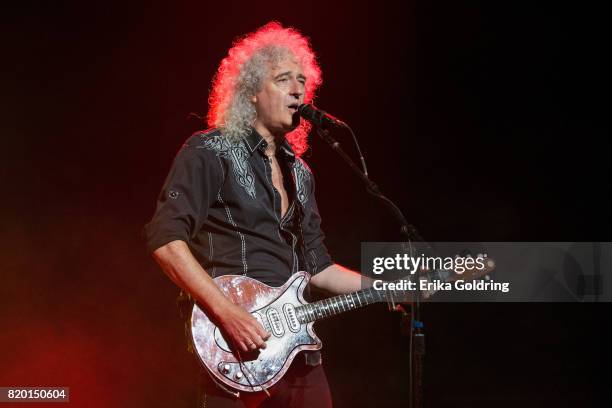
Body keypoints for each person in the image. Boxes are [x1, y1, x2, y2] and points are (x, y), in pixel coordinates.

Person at [144, 22, 363, 408]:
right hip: (233, 351)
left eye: (302, 80)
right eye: (283, 79)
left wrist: (391, 287)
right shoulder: (208, 151)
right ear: (252, 94)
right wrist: (227, 313)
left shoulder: (301, 174)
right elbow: (165, 240)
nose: (298, 89)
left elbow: (319, 268)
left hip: (298, 354)